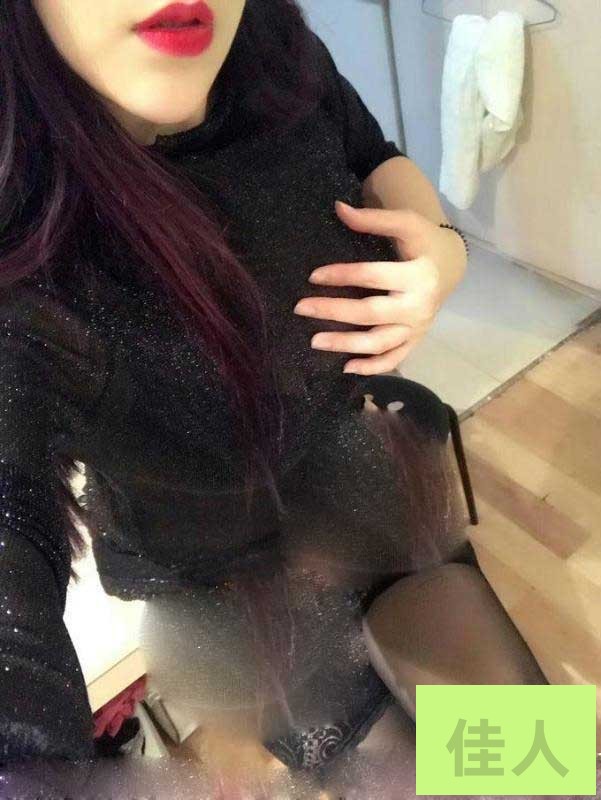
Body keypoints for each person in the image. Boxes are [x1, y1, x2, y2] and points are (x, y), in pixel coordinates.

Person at [0, 0, 547, 796]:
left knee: (537, 761)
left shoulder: (263, 43)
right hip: (234, 599)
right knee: (415, 773)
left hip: (372, 488)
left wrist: (439, 252)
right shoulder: (20, 233)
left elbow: (372, 156)